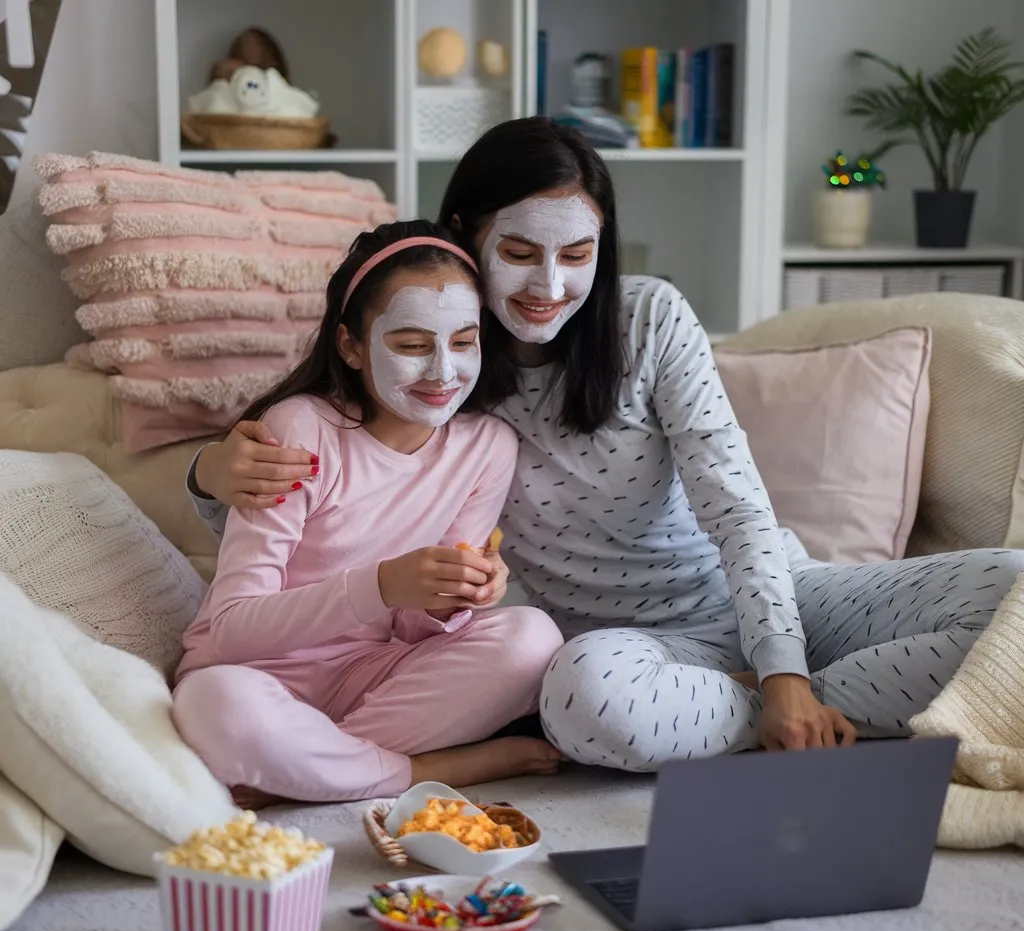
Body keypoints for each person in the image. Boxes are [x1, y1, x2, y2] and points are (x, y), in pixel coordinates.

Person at [187, 118, 1024, 773]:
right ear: (463, 236)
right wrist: (207, 473)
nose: (548, 287)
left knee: (1014, 592)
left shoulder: (648, 319)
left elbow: (736, 506)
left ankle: (778, 712)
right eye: (517, 253)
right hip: (621, 656)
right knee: (584, 696)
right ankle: (820, 717)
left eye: (576, 255)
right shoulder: (443, 369)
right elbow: (325, 509)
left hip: (769, 597)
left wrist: (784, 676)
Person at [172, 219, 565, 807]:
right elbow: (230, 631)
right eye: (410, 345)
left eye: (463, 342)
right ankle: (425, 770)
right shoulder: (301, 429)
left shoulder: (488, 446)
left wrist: (445, 597)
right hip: (259, 675)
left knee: (531, 637)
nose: (441, 372)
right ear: (351, 346)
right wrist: (381, 585)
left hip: (377, 678)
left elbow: (414, 630)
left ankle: (297, 775)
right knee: (217, 706)